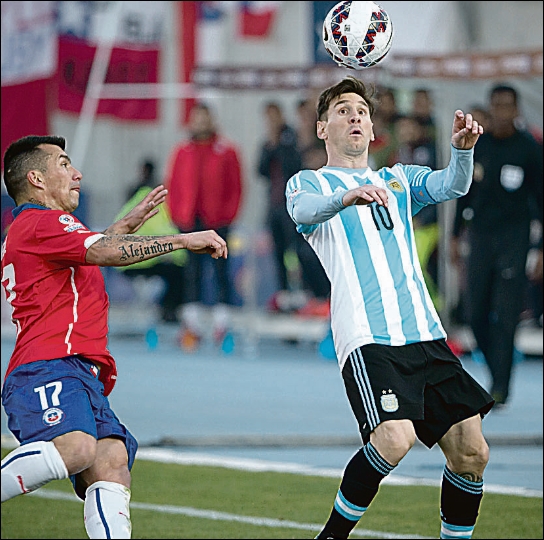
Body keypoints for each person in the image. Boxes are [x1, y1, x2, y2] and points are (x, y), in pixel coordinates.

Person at [285, 76, 494, 539]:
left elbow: (452, 185)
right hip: (369, 338)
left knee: (472, 450)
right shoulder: (309, 182)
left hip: (424, 334)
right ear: (322, 128)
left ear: (372, 126)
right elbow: (304, 212)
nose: (355, 117)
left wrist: (461, 152)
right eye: (342, 110)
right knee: (394, 438)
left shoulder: (397, 178)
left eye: (361, 111)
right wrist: (346, 196)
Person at [0, 135, 227, 538]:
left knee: (111, 461)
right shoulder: (40, 222)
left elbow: (90, 253)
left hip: (74, 369)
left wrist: (123, 228)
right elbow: (103, 252)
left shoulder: (38, 230)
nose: (76, 174)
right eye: (64, 164)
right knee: (77, 448)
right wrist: (181, 240)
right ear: (36, 178)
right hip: (48, 366)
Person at [451, 84, 543, 407]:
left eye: (507, 106)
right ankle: (496, 371)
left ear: (516, 110)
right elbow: (463, 193)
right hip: (480, 236)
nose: (502, 112)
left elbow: (541, 199)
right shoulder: (480, 145)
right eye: (497, 106)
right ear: (490, 109)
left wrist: (541, 248)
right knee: (474, 312)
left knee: (505, 314)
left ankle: (501, 386)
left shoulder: (529, 149)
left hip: (514, 238)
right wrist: (454, 235)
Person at [164, 102, 242, 349]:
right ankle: (192, 325)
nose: (200, 123)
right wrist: (177, 214)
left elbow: (236, 187)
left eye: (204, 118)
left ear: (212, 120)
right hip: (190, 220)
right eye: (196, 118)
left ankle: (222, 324)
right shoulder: (182, 151)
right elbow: (173, 184)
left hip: (217, 221)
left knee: (220, 272)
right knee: (192, 272)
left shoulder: (226, 151)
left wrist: (228, 216)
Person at [114, 159, 187, 324]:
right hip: (148, 261)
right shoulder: (159, 204)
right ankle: (168, 310)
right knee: (180, 273)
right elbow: (166, 234)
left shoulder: (132, 200)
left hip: (124, 262)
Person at [258, 101, 303, 300]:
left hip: (292, 203)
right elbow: (261, 171)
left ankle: (300, 288)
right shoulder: (268, 142)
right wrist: (270, 147)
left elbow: (294, 165)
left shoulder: (291, 138)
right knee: (278, 250)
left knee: (296, 249)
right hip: (274, 204)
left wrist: (278, 146)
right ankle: (283, 290)